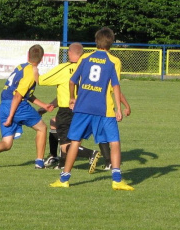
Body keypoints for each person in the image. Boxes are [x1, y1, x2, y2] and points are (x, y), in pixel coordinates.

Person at [50, 27, 134, 190]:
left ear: (96, 41)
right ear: (111, 43)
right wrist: (119, 108)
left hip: (83, 106)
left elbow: (72, 81)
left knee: (75, 141)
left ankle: (64, 179)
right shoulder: (113, 61)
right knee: (114, 142)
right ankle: (117, 180)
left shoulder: (85, 58)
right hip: (105, 109)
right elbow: (115, 86)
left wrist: (72, 98)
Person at [0, 44, 52, 170]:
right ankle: (39, 162)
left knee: (7, 143)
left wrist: (43, 105)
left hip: (4, 105)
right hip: (16, 106)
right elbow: (18, 95)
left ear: (28, 55)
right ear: (41, 59)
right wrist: (11, 117)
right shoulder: (30, 72)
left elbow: (25, 93)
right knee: (42, 128)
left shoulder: (21, 67)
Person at [38, 43, 101, 172]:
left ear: (70, 53)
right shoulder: (88, 67)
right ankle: (61, 163)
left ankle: (90, 154)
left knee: (66, 142)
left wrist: (32, 68)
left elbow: (41, 80)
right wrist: (51, 105)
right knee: (57, 126)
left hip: (67, 109)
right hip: (84, 108)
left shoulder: (65, 68)